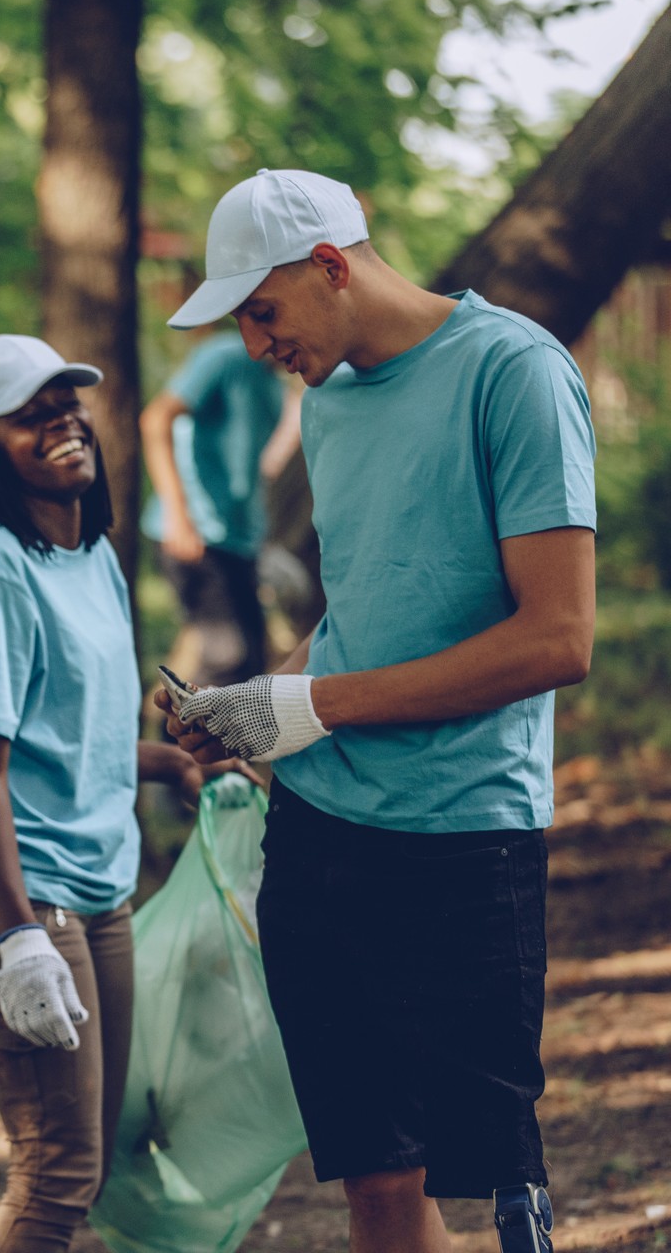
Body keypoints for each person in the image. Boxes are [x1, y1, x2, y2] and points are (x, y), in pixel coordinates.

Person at [158, 169, 596, 1253]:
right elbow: (367, 613)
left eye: (261, 311)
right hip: (319, 838)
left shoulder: (516, 373)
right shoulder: (333, 403)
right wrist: (259, 708)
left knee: (503, 1191)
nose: (256, 346)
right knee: (373, 1181)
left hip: (462, 837)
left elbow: (558, 637)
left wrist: (320, 701)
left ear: (331, 265)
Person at [0, 334, 257, 1253]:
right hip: (20, 900)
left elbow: (80, 737)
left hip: (100, 895)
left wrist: (177, 762)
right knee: (58, 1169)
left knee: (90, 1160)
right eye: (29, 414)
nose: (60, 424)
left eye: (68, 407)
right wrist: (20, 934)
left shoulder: (93, 556)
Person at [139, 324, 299, 684]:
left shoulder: (277, 384)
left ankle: (179, 731)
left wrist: (264, 543)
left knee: (253, 664)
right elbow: (155, 420)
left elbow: (250, 469)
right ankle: (174, 739)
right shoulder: (223, 356)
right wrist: (179, 516)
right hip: (193, 536)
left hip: (240, 542)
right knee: (227, 657)